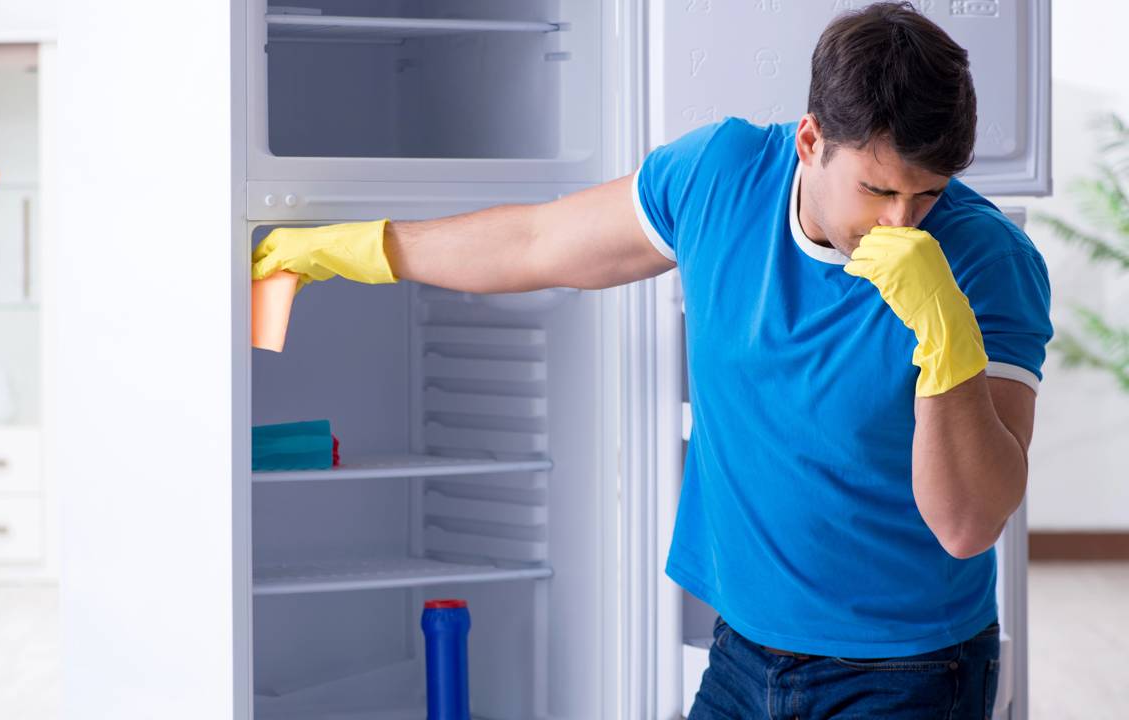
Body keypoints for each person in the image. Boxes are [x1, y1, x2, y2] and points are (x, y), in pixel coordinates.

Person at [252, 2, 1051, 717]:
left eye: (929, 195)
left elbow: (967, 523)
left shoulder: (986, 262)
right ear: (811, 140)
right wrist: (364, 248)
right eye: (879, 192)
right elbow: (539, 242)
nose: (904, 221)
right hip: (745, 650)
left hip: (909, 671)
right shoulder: (722, 177)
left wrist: (947, 334)